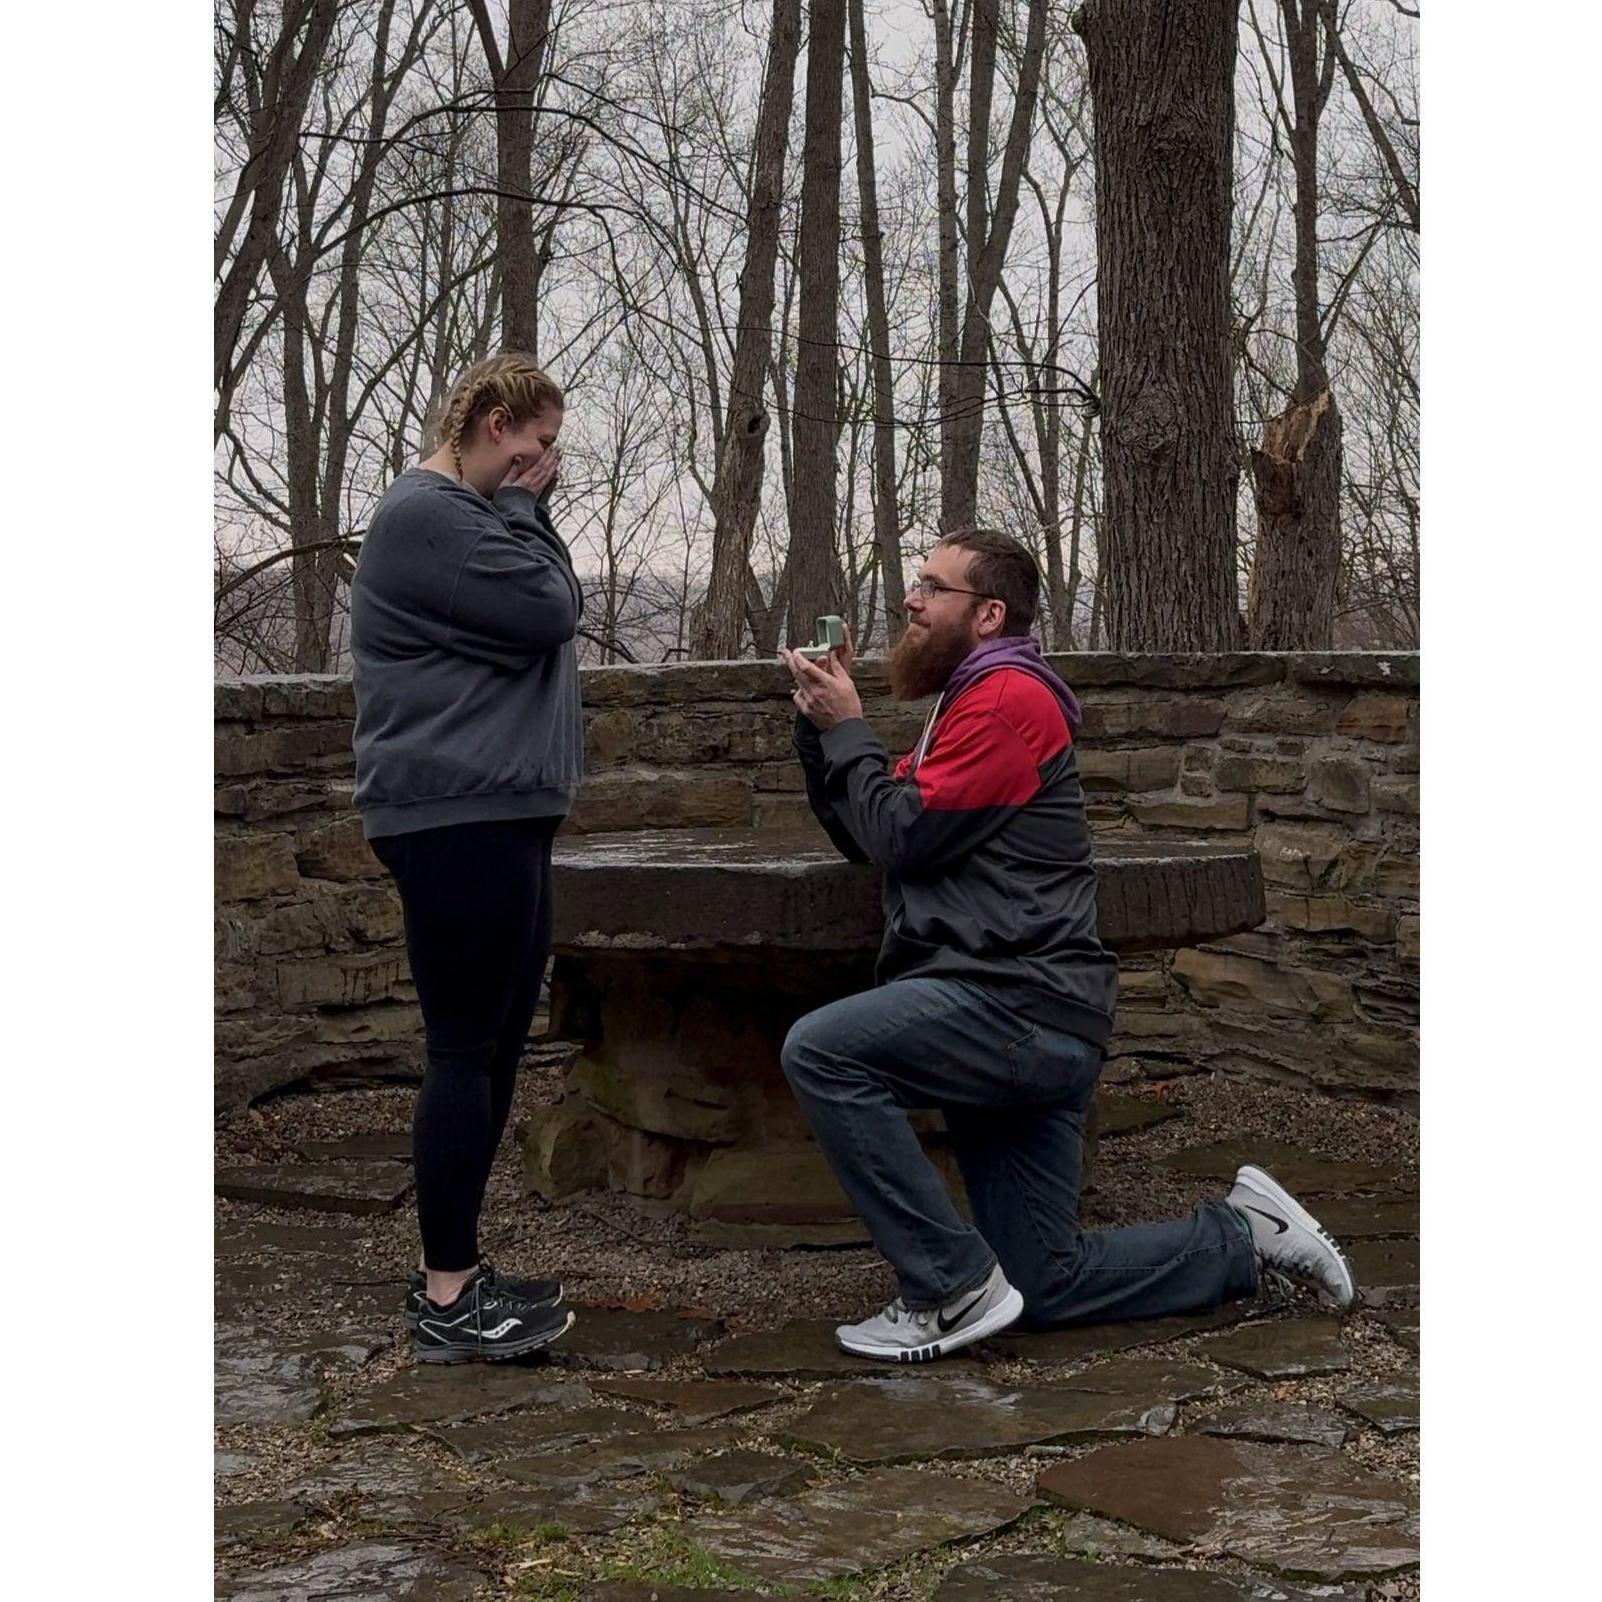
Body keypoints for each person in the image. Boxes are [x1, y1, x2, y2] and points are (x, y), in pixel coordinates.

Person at [780, 528, 1357, 1362]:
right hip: (1020, 1008)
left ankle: (947, 1287)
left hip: (1013, 1005)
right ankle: (1244, 1235)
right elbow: (872, 831)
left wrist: (849, 731)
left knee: (823, 1053)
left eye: (930, 588)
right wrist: (820, 731)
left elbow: (902, 836)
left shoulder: (1008, 701)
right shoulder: (969, 700)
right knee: (1042, 1283)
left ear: (986, 614)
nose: (911, 600)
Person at [350, 352, 582, 1363]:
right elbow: (549, 610)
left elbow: (549, 600)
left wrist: (526, 517)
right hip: (455, 814)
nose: (542, 469)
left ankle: (461, 1270)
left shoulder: (478, 520)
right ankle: (446, 1295)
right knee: (460, 1049)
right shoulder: (427, 517)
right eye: (533, 449)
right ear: (491, 422)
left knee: (491, 1049)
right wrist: (529, 514)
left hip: (499, 810)